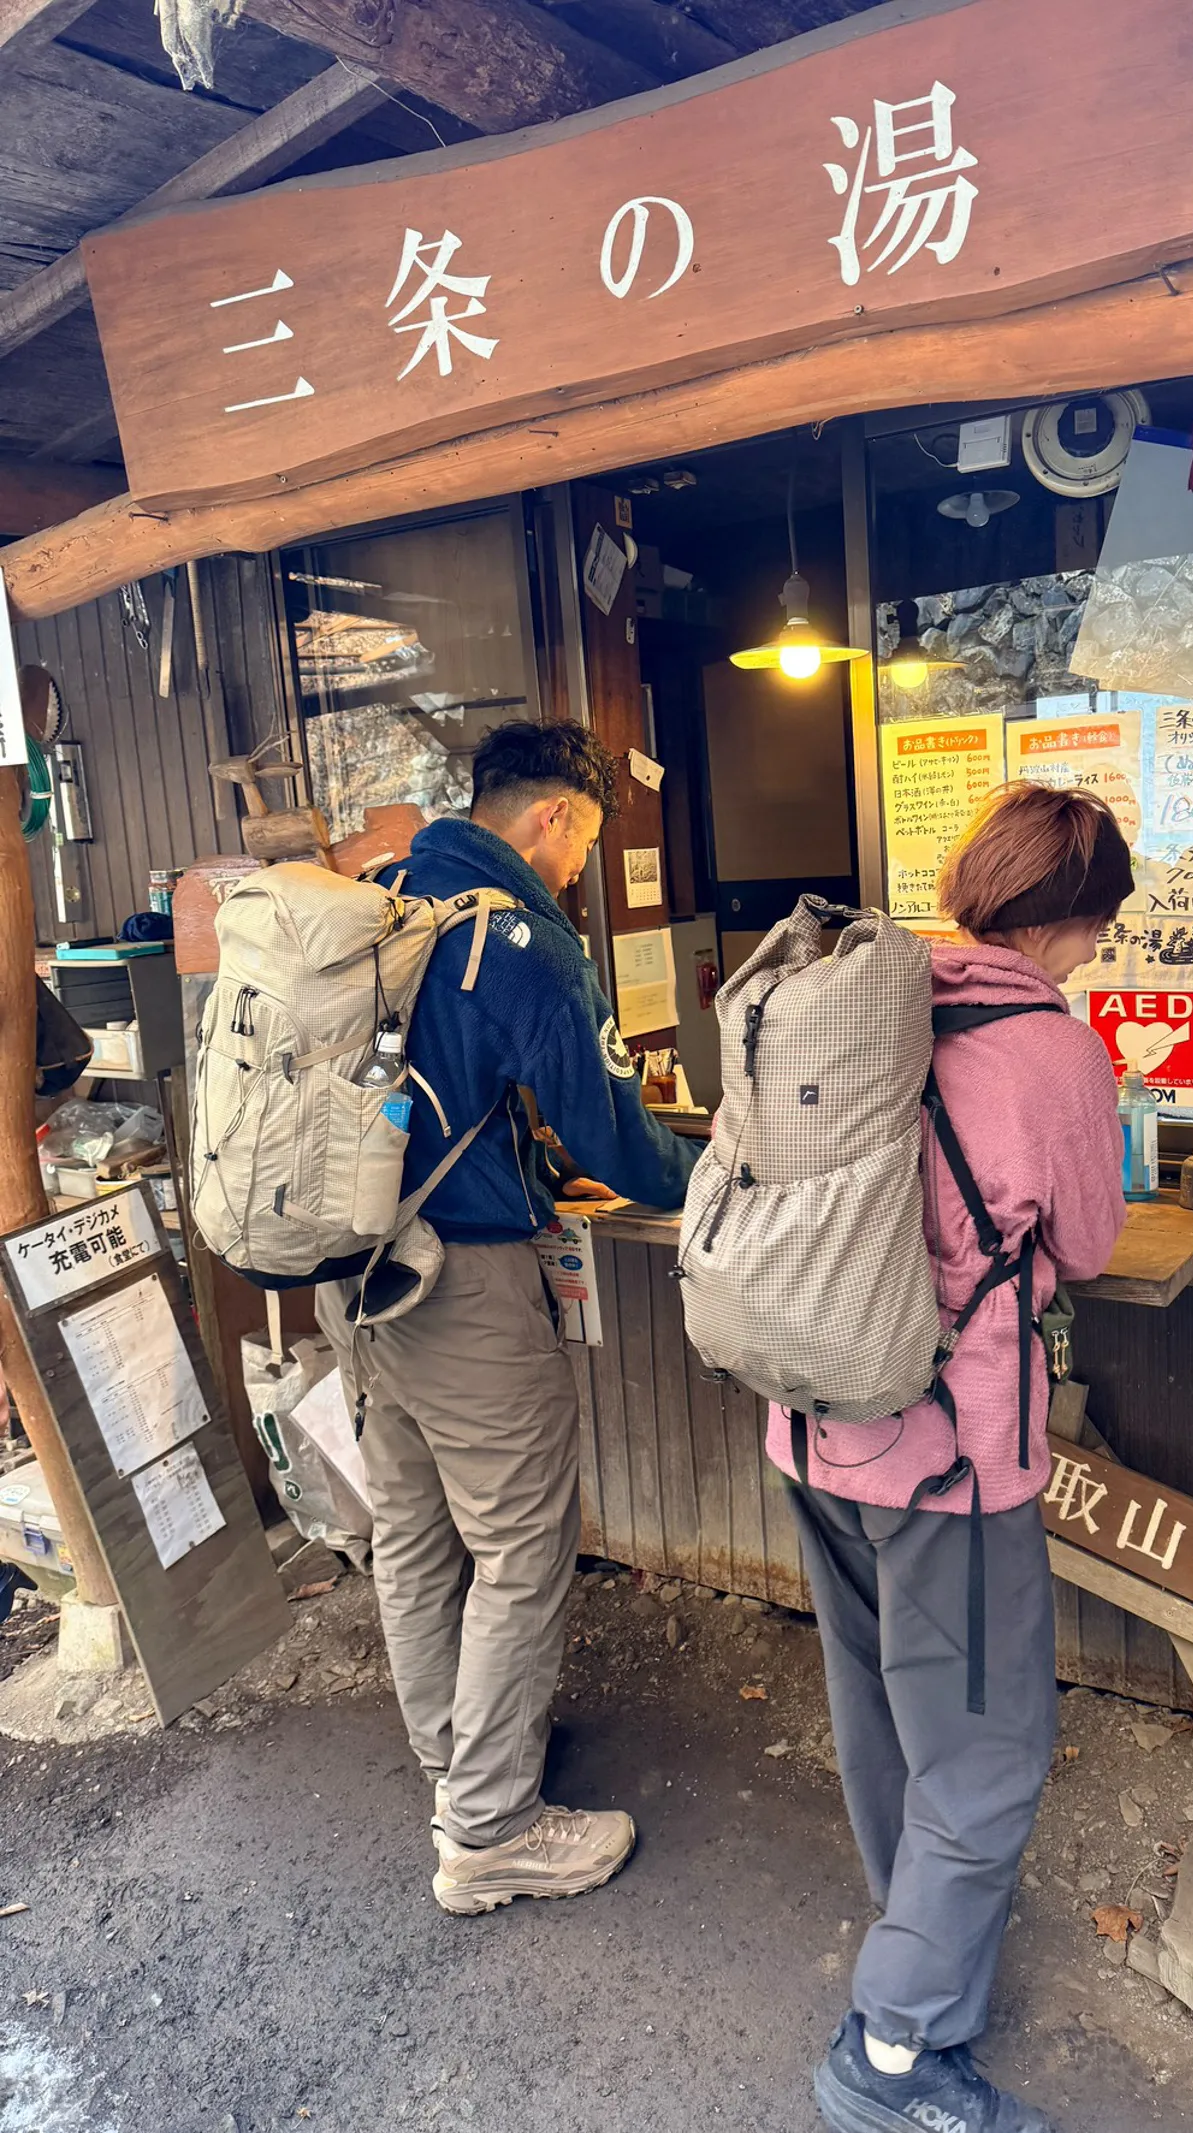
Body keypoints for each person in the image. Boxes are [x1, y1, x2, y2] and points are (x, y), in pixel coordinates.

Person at [770, 781, 1133, 2133]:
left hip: (813, 1422)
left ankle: (918, 1935)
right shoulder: (1050, 1051)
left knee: (884, 1708)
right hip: (948, 1459)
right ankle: (895, 2052)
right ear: (1065, 920)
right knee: (988, 1751)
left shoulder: (861, 1000)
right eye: (1097, 926)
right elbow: (1085, 1242)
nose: (1095, 951)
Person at [317, 720, 699, 1916]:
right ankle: (489, 1832)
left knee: (412, 1531)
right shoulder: (519, 938)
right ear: (554, 818)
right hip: (460, 1282)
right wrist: (720, 1180)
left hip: (349, 1273)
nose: (578, 872)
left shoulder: (378, 897)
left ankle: (457, 1755)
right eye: (582, 848)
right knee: (522, 1548)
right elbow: (614, 1135)